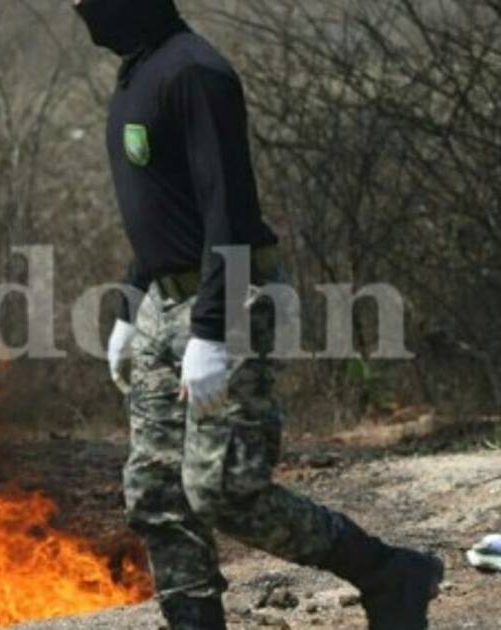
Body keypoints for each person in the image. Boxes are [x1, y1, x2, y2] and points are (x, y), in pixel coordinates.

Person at [71, 1, 444, 628]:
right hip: (163, 302)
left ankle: (391, 574)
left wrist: (211, 332)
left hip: (230, 296)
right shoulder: (138, 72)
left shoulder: (194, 72)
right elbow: (166, 211)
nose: (80, 8)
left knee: (223, 490)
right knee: (156, 492)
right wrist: (129, 311)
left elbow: (229, 209)